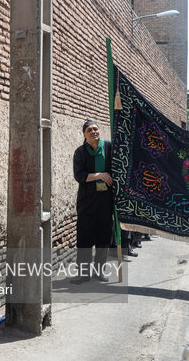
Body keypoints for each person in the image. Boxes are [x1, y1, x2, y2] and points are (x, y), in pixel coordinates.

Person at [71, 120, 114, 284]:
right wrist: (100, 175)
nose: (93, 132)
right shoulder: (80, 152)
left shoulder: (109, 147)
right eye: (89, 130)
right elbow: (79, 176)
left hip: (105, 201)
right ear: (84, 135)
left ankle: (99, 271)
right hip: (87, 201)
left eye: (95, 129)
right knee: (84, 237)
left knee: (103, 237)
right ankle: (83, 273)